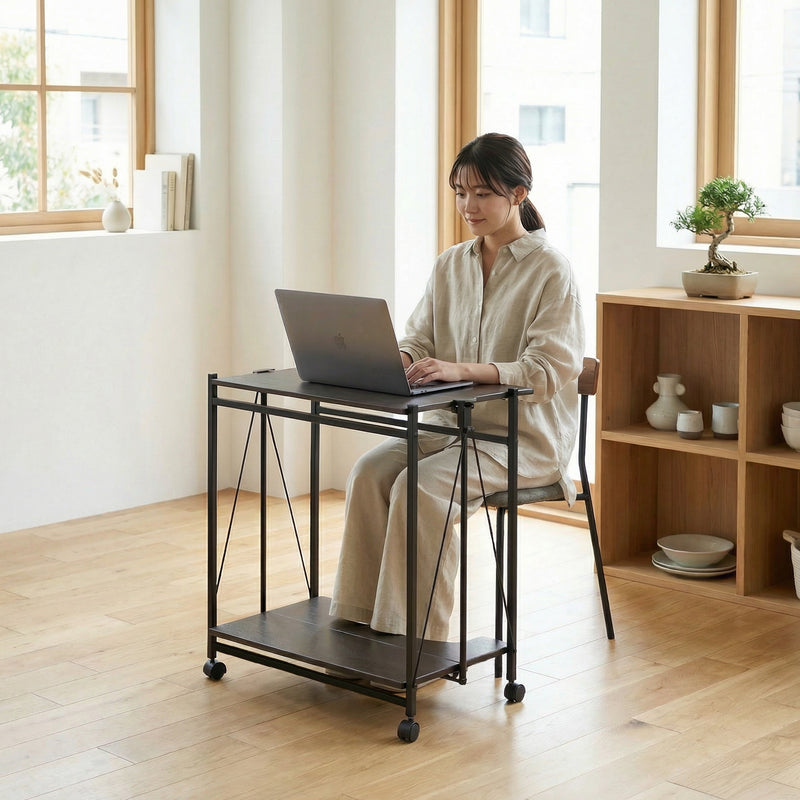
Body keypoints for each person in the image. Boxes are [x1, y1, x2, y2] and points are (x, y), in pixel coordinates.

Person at [329, 132, 585, 641]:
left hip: (519, 440)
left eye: (483, 193)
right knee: (369, 472)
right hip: (449, 427)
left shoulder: (550, 270)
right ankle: (359, 619)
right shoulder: (450, 263)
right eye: (460, 192)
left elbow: (548, 369)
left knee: (420, 487)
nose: (469, 206)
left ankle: (416, 636)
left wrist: (462, 369)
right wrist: (400, 358)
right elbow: (421, 336)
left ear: (519, 194)